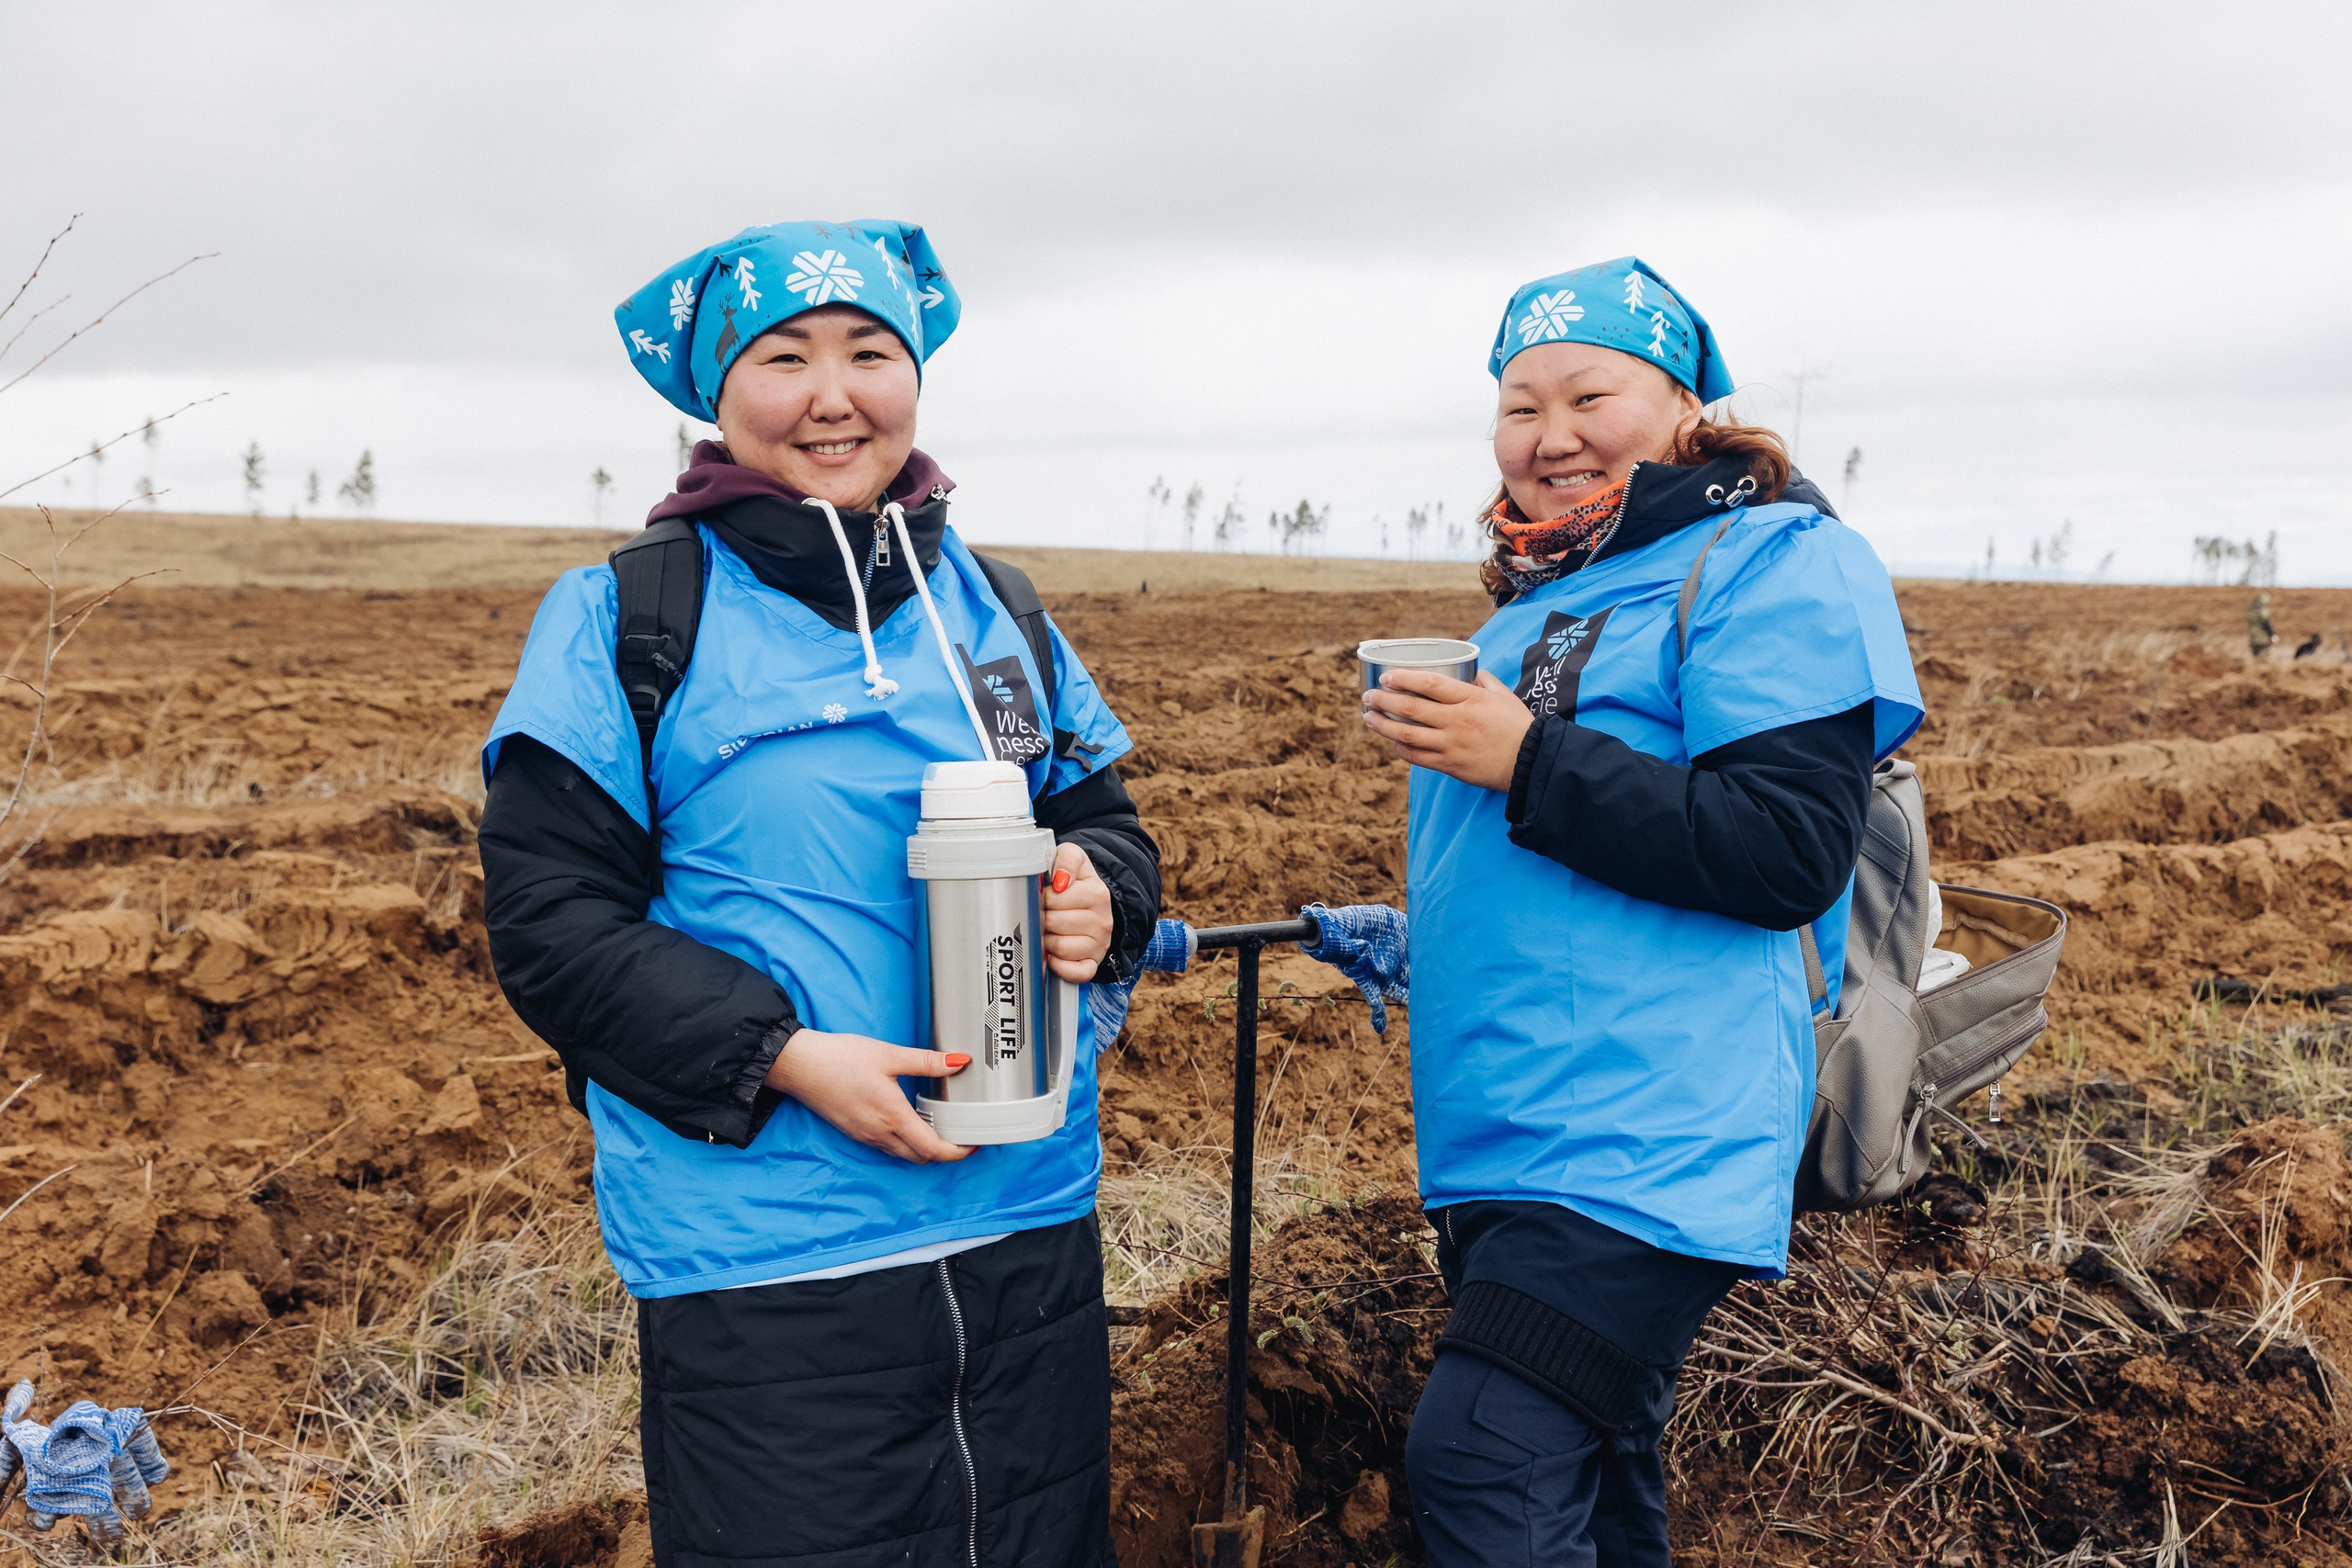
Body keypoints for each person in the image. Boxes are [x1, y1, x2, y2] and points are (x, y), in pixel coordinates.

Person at [477, 220, 1159, 1568]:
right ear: (717, 396)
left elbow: (1097, 816)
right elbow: (551, 923)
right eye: (785, 357)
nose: (834, 393)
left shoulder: (994, 609)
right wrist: (784, 1056)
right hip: (770, 1262)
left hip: (1023, 1224)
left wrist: (1106, 896)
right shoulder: (629, 618)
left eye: (870, 352)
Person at [1362, 257, 1923, 1567]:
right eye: (1518, 405)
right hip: (1509, 1125)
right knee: (1598, 1484)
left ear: (1685, 407)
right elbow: (1547, 856)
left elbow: (1785, 848)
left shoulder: (1776, 563)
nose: (1549, 436)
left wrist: (1527, 758)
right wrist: (1396, 929)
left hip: (1647, 1129)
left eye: (1589, 394)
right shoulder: (1541, 603)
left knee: (1484, 1460)